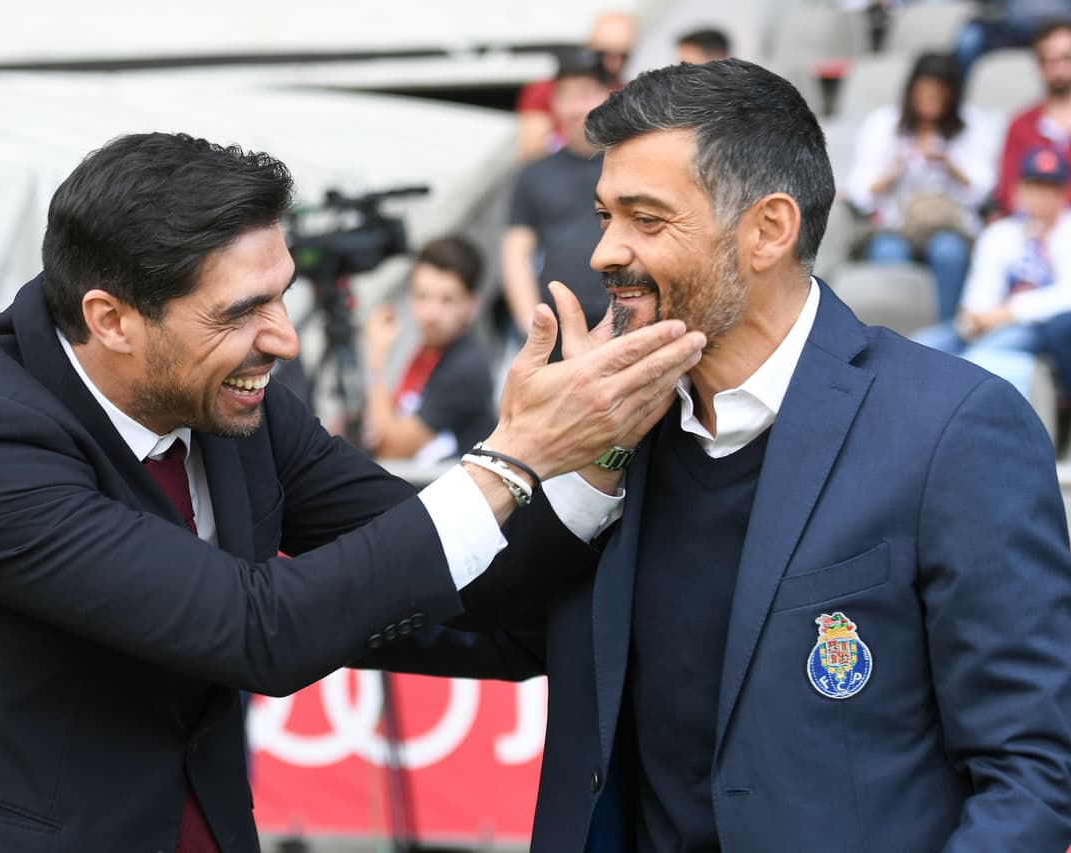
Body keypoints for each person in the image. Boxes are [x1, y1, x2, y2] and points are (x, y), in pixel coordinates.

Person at [0, 132, 706, 853]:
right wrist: (513, 455)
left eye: (281, 295)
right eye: (240, 312)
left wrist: (598, 457)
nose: (282, 339)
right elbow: (255, 630)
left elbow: (455, 570)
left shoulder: (234, 403)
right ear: (110, 318)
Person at [372, 58, 1071, 851]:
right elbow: (479, 622)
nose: (605, 251)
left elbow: (1031, 777)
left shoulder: (954, 429)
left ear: (768, 229)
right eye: (605, 215)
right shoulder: (608, 437)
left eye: (645, 217)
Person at [845, 52, 997, 321]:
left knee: (948, 252)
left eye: (938, 95)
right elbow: (860, 192)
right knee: (889, 252)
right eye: (923, 94)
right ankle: (894, 334)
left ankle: (945, 332)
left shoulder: (973, 125)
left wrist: (950, 165)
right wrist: (894, 170)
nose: (929, 102)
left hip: (950, 225)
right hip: (896, 225)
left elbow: (984, 191)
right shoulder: (884, 124)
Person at [914, 146, 1071, 399]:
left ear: (1062, 192)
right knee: (920, 347)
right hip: (988, 321)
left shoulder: (1066, 231)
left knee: (981, 358)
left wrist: (1009, 312)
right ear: (1021, 190)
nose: (1042, 196)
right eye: (1035, 186)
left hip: (1033, 326)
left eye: (1050, 188)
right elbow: (980, 290)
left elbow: (1066, 295)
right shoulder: (1001, 233)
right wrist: (974, 319)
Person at [503, 48, 613, 355]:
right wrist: (532, 327)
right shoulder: (534, 173)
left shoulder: (629, 163)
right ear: (554, 103)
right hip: (558, 331)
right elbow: (516, 255)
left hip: (626, 323)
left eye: (586, 93)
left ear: (607, 95)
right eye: (566, 96)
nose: (577, 107)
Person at [362, 235, 495, 465]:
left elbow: (391, 450)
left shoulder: (465, 366)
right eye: (422, 296)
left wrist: (376, 361)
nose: (431, 313)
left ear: (472, 305)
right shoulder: (428, 349)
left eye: (447, 300)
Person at [514, 9, 637, 162]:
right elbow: (531, 152)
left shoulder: (627, 93)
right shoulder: (544, 90)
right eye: (605, 54)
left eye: (623, 56)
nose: (614, 63)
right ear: (589, 46)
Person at [995, 18, 1071, 216]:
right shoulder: (1020, 125)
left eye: (1067, 58)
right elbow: (1007, 192)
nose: (1059, 69)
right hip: (1030, 227)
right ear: (1039, 66)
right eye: (1050, 61)